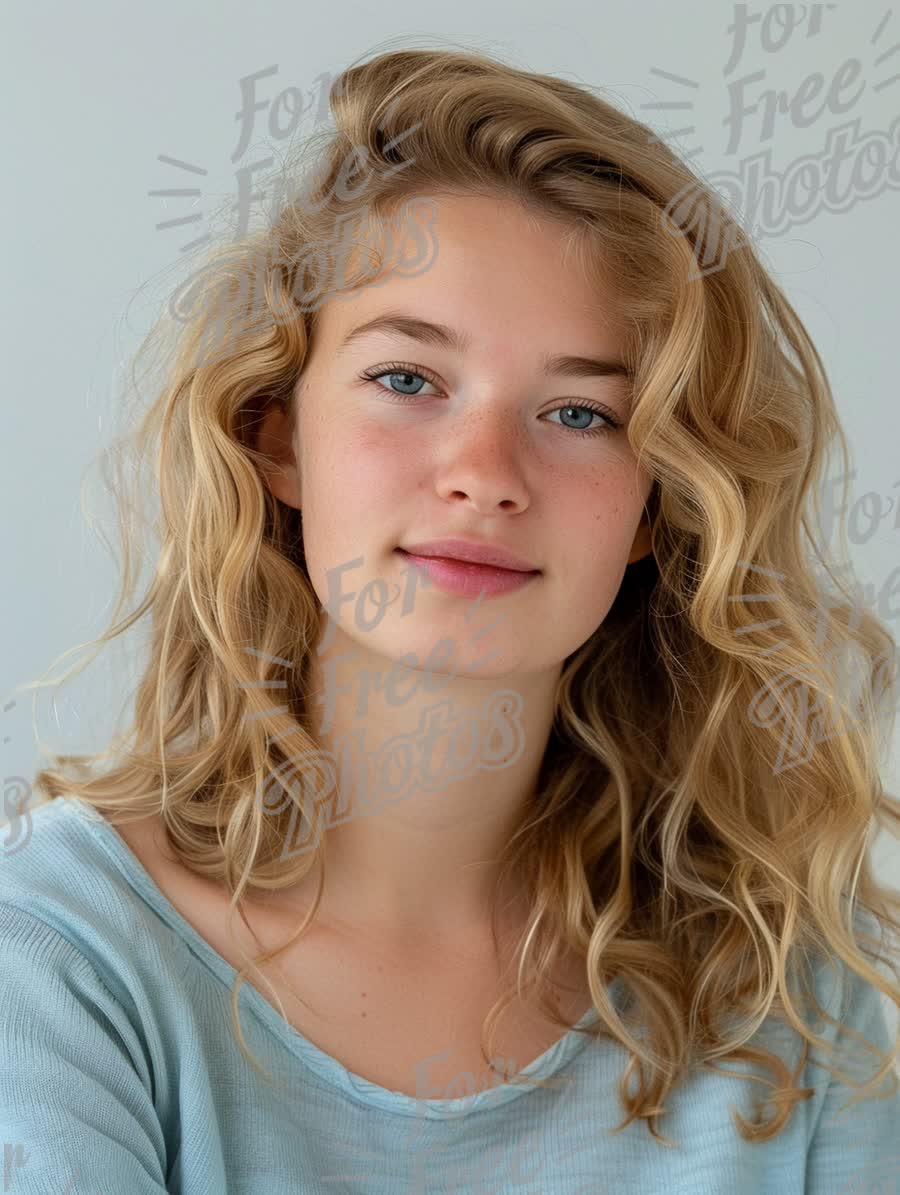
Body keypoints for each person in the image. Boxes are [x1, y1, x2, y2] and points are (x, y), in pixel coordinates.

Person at [2, 42, 898, 1194]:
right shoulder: (59, 955)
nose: (485, 474)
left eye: (580, 412)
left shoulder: (783, 1000)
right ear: (277, 436)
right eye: (408, 381)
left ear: (653, 508)